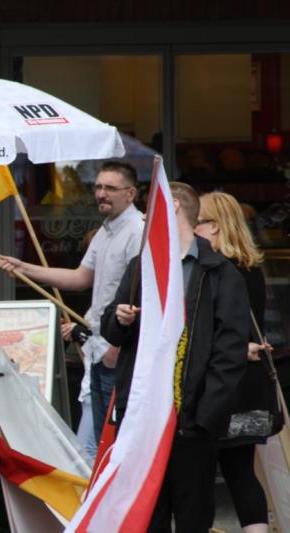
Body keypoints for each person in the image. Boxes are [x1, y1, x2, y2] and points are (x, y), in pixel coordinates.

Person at [101, 182, 249, 532]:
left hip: (191, 420)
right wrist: (118, 318)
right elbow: (112, 330)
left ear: (176, 208)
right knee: (146, 514)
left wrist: (203, 415)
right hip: (143, 419)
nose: (144, 216)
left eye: (151, 208)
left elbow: (229, 354)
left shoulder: (219, 272)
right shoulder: (142, 264)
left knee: (193, 515)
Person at [0, 160, 143, 462]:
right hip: (98, 350)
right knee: (93, 448)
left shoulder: (138, 231)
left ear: (130, 193)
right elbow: (80, 278)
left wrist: (117, 346)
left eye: (110, 188)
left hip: (115, 352)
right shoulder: (106, 231)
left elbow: (141, 295)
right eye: (98, 187)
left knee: (107, 448)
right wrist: (24, 267)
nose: (101, 194)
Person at [196, 191, 275, 533]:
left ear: (214, 226)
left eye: (195, 221)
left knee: (198, 472)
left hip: (221, 383)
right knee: (241, 471)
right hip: (252, 382)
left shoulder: (213, 270)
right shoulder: (251, 267)